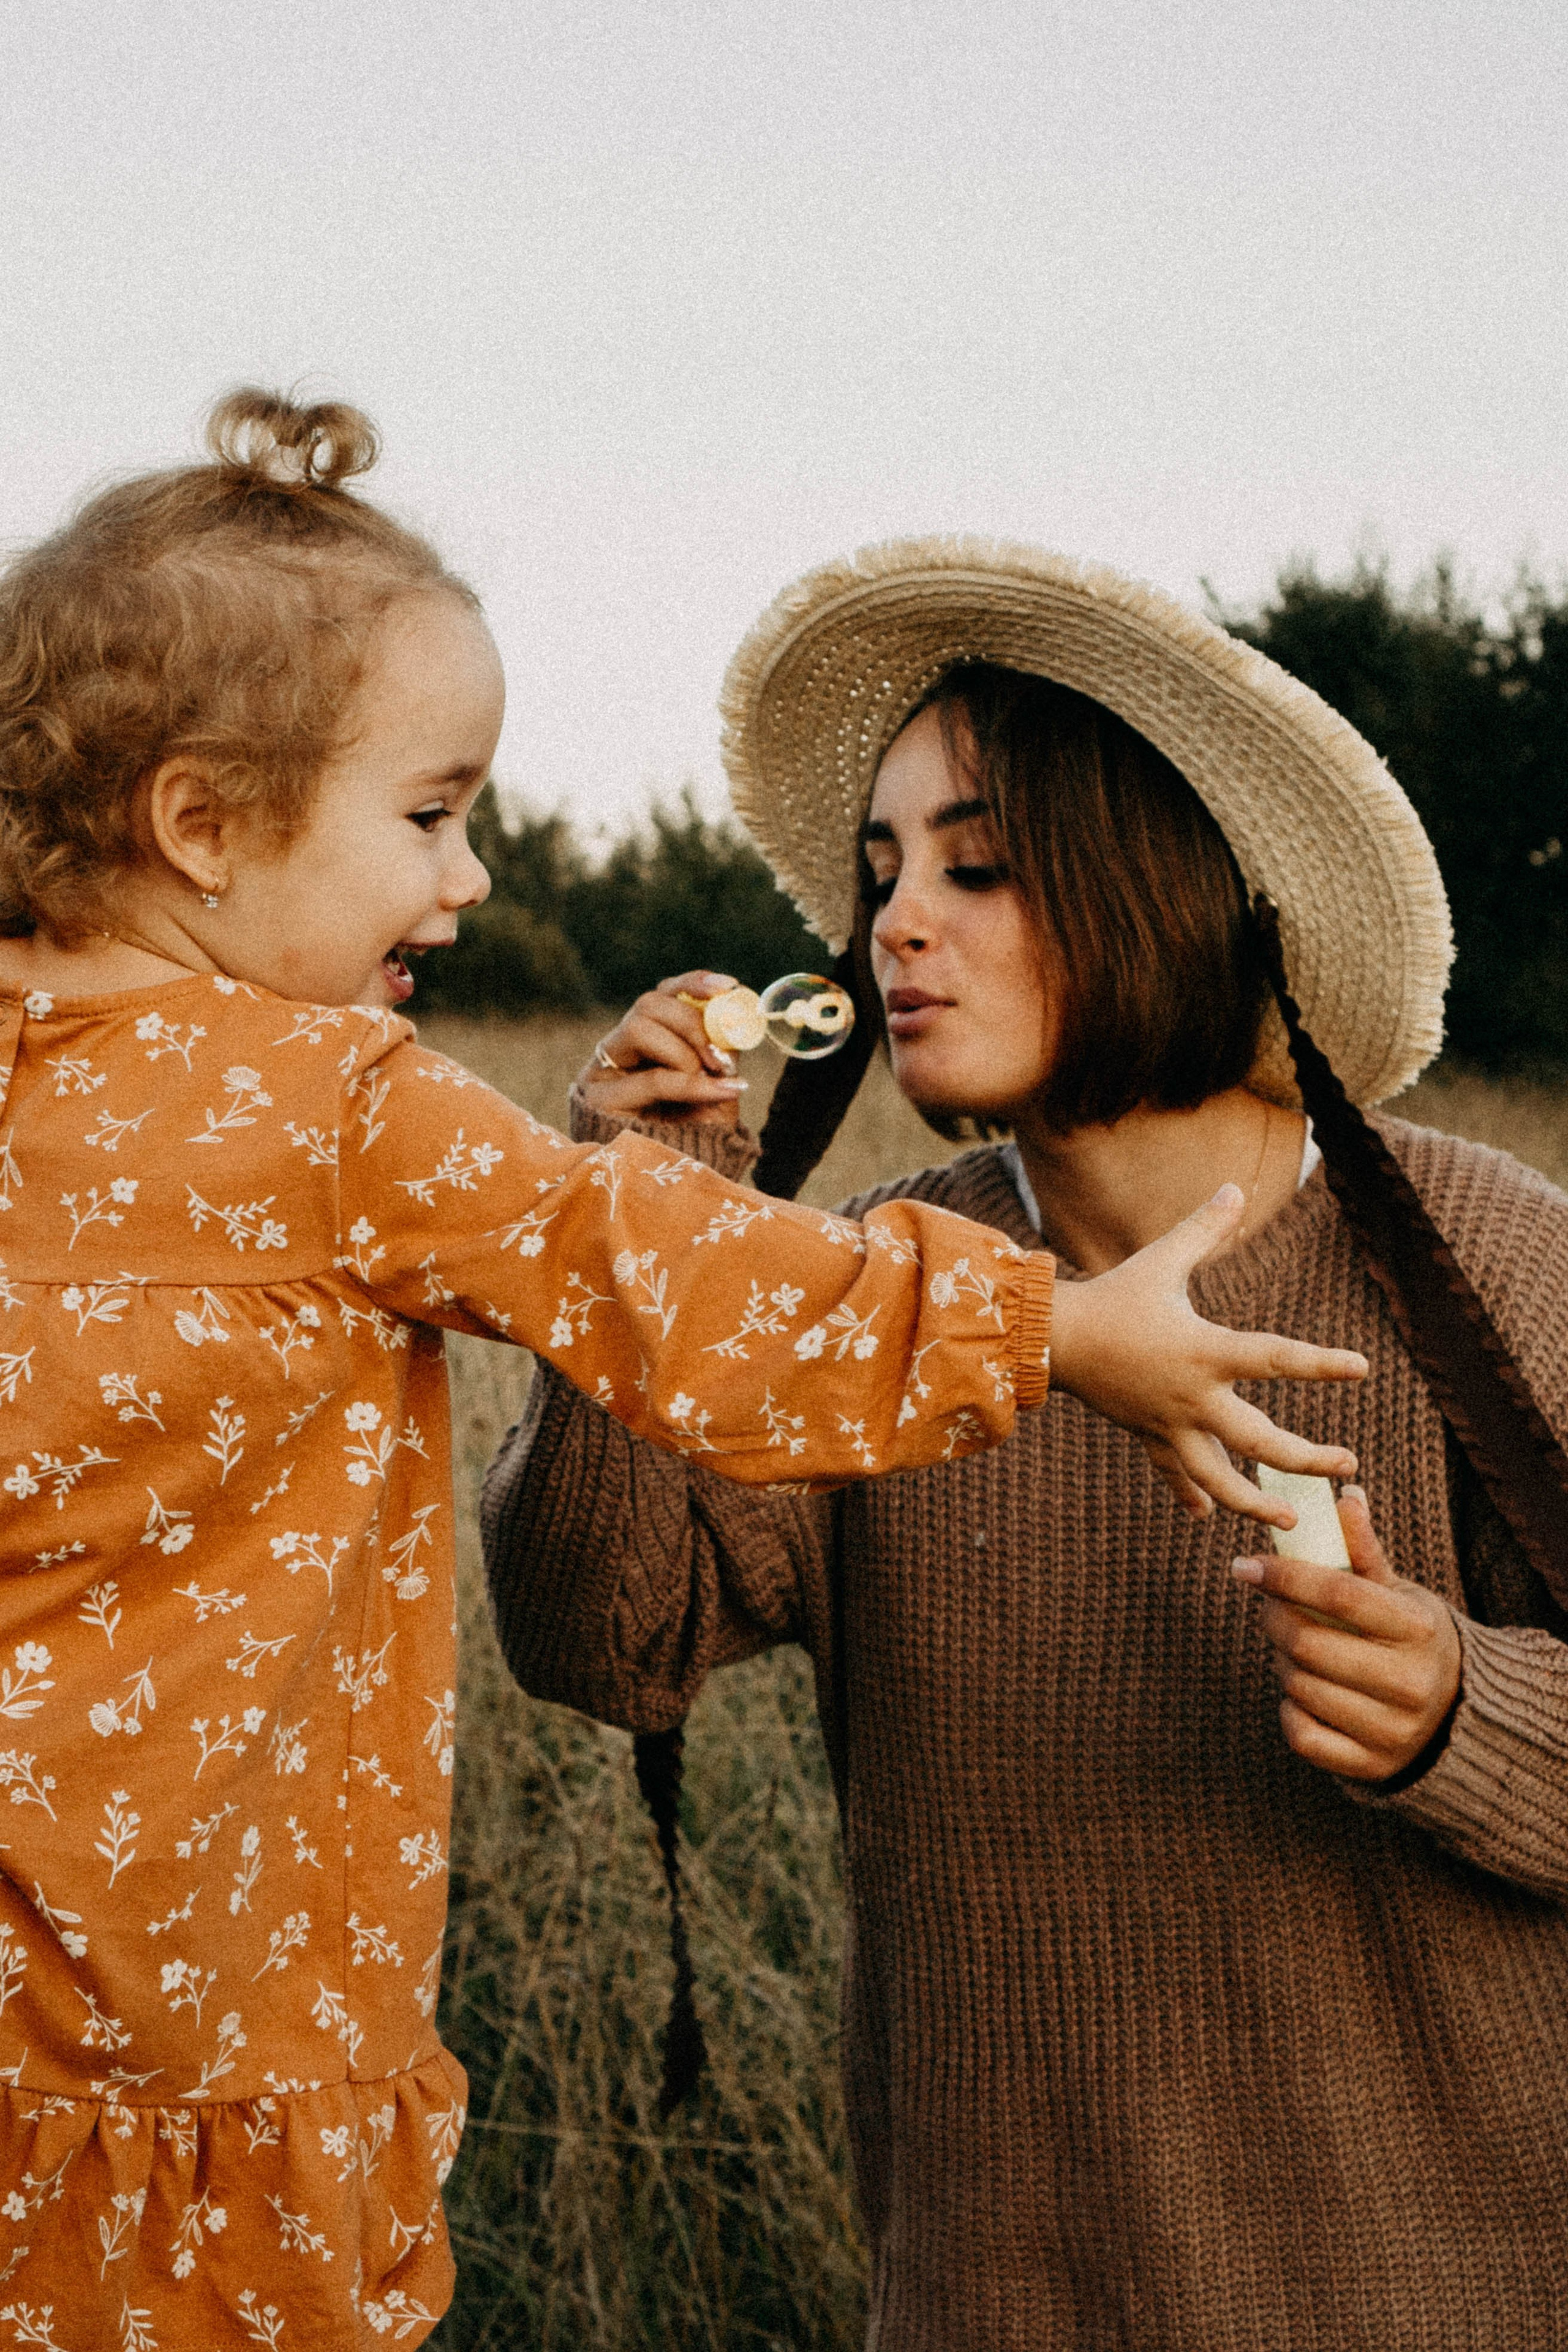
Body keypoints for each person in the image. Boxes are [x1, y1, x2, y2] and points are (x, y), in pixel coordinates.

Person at [0, 429, 1363, 2345]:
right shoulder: (331, 1105)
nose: (472, 874)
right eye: (431, 814)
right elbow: (654, 1284)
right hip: (208, 2049)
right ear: (203, 825)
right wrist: (1048, 1333)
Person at [485, 540, 1568, 2351]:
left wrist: (1469, 1711)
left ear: (1159, 893)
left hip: (1442, 2292)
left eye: (977, 866)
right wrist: (639, 1230)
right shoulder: (875, 1290)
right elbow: (606, 1644)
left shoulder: (1490, 1260)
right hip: (998, 2300)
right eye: (883, 871)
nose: (900, 920)